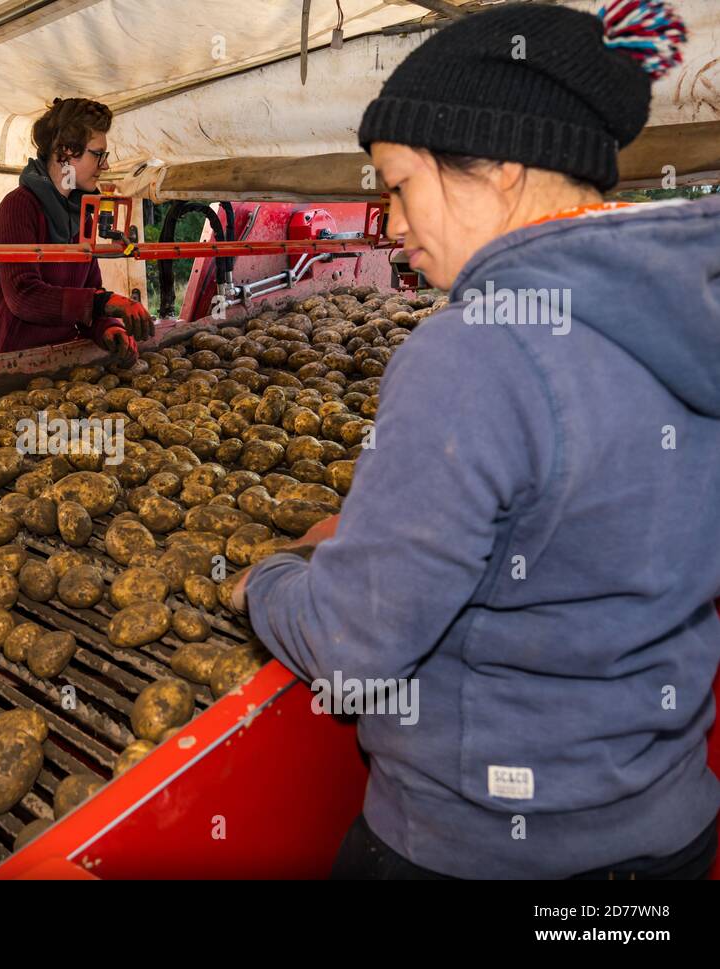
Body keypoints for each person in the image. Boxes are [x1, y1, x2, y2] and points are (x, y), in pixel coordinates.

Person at [235, 0, 719, 879]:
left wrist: (269, 579)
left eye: (399, 183)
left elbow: (355, 642)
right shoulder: (691, 317)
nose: (394, 222)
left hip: (479, 851)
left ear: (497, 167)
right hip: (669, 834)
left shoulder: (474, 347)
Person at [0, 97, 153, 362]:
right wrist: (106, 303)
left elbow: (91, 291)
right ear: (66, 152)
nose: (106, 166)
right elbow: (24, 297)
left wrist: (108, 326)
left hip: (55, 361)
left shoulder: (80, 216)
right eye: (98, 155)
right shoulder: (19, 207)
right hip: (4, 363)